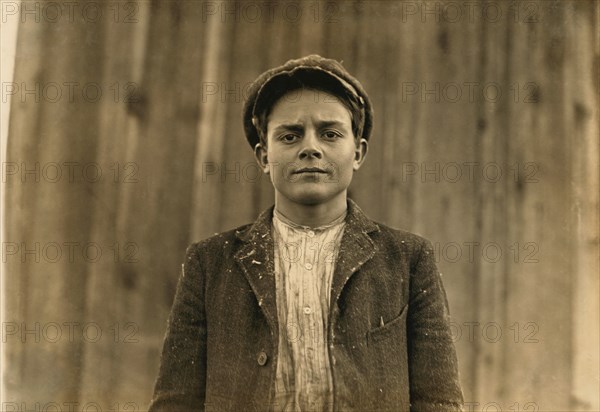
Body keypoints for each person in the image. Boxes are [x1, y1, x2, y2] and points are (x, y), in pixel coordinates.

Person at [149, 55, 464, 412]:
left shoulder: (408, 259)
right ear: (264, 155)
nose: (310, 147)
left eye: (330, 134)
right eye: (290, 135)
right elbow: (175, 402)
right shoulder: (209, 264)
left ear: (357, 152)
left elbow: (438, 401)